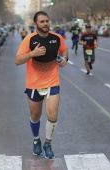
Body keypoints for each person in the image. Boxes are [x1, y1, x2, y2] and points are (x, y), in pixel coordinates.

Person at [15, 11, 68, 159]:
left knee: (52, 114)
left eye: (47, 21)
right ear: (35, 24)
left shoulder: (56, 38)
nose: (45, 24)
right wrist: (32, 54)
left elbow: (64, 51)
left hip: (52, 82)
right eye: (42, 22)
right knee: (35, 115)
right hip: (34, 84)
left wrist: (64, 59)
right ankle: (36, 140)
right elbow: (18, 61)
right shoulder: (29, 39)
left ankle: (48, 144)